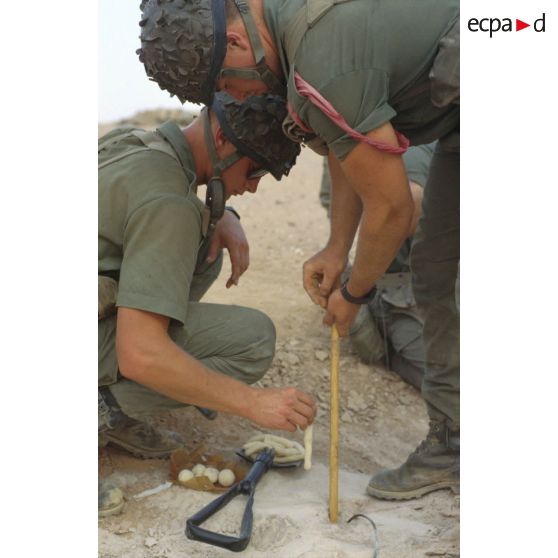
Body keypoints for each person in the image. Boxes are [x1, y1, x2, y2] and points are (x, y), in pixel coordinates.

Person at [137, 0, 459, 501]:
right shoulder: (297, 37)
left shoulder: (320, 52)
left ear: (238, 43)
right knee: (437, 276)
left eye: (224, 83)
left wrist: (353, 293)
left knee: (452, 277)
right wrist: (336, 247)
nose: (236, 95)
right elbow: (345, 141)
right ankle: (455, 447)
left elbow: (395, 208)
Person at [98, 92, 316, 516]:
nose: (252, 186)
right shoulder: (169, 203)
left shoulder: (133, 142)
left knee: (203, 240)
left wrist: (220, 216)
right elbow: (140, 355)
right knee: (251, 339)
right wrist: (253, 403)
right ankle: (100, 409)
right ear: (221, 136)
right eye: (254, 170)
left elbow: (147, 204)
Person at [320, 144, 435, 390]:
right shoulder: (402, 145)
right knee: (448, 383)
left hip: (414, 281)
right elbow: (406, 210)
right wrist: (354, 291)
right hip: (395, 288)